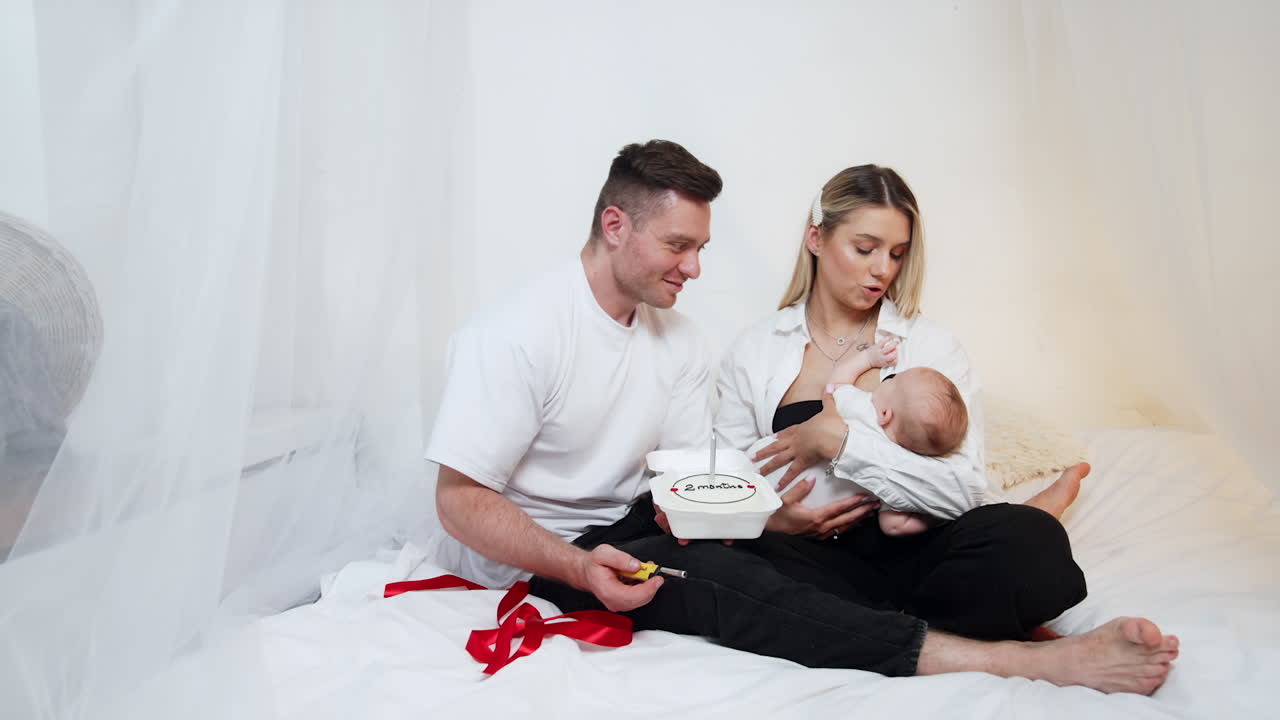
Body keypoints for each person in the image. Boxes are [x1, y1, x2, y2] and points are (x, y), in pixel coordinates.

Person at [428, 145, 1178, 694]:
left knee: (1027, 539)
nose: (695, 268)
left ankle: (858, 618)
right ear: (616, 224)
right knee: (719, 570)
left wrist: (835, 444)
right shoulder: (529, 335)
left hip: (871, 545)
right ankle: (1015, 656)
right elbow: (706, 493)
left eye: (895, 253)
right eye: (680, 246)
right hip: (701, 554)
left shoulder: (694, 340)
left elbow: (699, 478)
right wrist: (765, 524)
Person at [748, 336, 970, 536]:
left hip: (759, 468)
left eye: (891, 379)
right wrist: (928, 516)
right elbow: (893, 526)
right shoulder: (901, 467)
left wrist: (869, 358)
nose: (886, 381)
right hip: (806, 517)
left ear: (885, 414)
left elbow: (837, 383)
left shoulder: (860, 405)